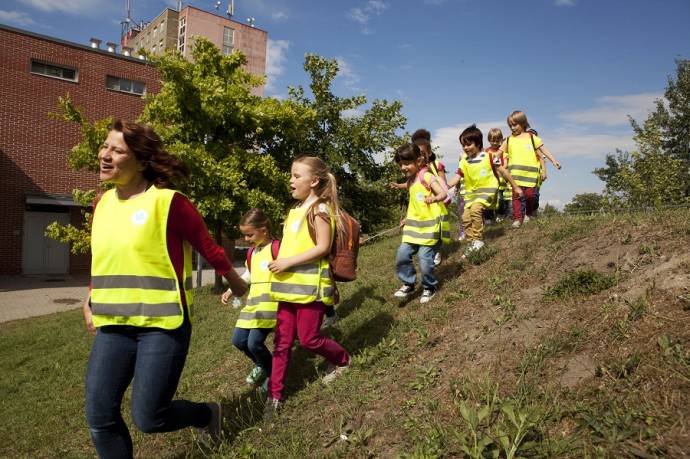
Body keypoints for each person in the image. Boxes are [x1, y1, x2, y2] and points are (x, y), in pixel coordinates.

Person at [84, 120, 247, 458]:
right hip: (113, 325)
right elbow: (104, 255)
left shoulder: (168, 202)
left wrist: (235, 281)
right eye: (104, 146)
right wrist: (89, 296)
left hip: (162, 325)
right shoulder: (101, 204)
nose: (105, 155)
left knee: (150, 418)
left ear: (141, 161)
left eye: (116, 150)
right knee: (99, 416)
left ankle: (206, 414)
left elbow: (207, 245)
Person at [264, 156, 351, 420]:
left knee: (310, 338)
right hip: (288, 289)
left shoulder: (320, 209)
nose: (290, 180)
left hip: (311, 290)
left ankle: (343, 360)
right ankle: (275, 395)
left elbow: (322, 247)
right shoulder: (295, 210)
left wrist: (288, 261)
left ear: (313, 181)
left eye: (296, 176)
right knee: (281, 343)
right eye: (291, 175)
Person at [221, 208, 278, 394]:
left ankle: (273, 376)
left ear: (264, 229)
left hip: (270, 307)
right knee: (238, 340)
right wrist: (231, 289)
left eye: (249, 235)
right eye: (244, 235)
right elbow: (248, 275)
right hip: (253, 306)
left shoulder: (278, 248)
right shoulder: (252, 252)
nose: (246, 239)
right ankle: (262, 365)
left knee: (254, 343)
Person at [447, 125, 523, 254]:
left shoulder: (489, 157)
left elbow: (503, 171)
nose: (465, 148)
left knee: (476, 210)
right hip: (471, 194)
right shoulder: (464, 160)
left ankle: (478, 240)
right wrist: (445, 186)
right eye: (463, 145)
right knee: (465, 218)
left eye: (468, 145)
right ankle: (472, 243)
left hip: (487, 191)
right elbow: (458, 176)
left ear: (478, 143)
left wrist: (515, 187)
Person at [393, 143, 449, 304]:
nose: (403, 167)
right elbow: (415, 204)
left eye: (406, 163)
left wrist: (434, 198)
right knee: (402, 255)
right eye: (400, 164)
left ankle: (429, 287)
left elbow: (443, 193)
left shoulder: (427, 176)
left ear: (418, 161)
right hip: (413, 228)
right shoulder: (411, 181)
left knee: (425, 259)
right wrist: (407, 218)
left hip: (430, 229)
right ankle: (408, 283)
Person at [499, 111, 561, 228]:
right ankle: (517, 219)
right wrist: (491, 160)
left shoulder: (532, 138)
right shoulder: (508, 140)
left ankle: (528, 213)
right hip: (515, 176)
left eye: (515, 124)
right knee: (516, 196)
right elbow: (499, 153)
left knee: (530, 196)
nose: (512, 128)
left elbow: (544, 150)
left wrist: (554, 161)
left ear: (523, 123)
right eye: (510, 125)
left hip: (530, 176)